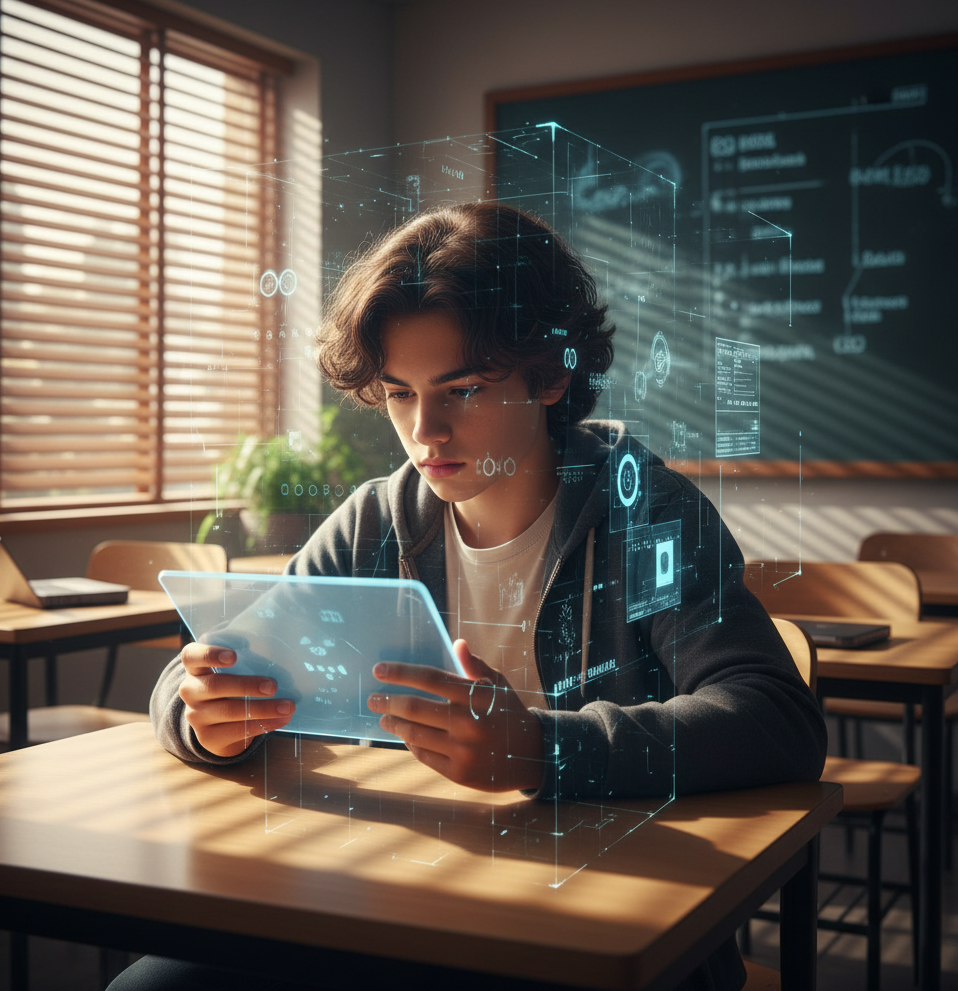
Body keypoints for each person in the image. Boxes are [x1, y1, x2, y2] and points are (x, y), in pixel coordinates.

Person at [115, 202, 826, 991]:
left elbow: (778, 719)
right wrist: (206, 718)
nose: (426, 432)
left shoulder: (646, 516)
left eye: (463, 389)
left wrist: (541, 750)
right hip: (403, 900)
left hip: (603, 918)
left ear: (552, 374)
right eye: (399, 395)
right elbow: (193, 679)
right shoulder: (375, 524)